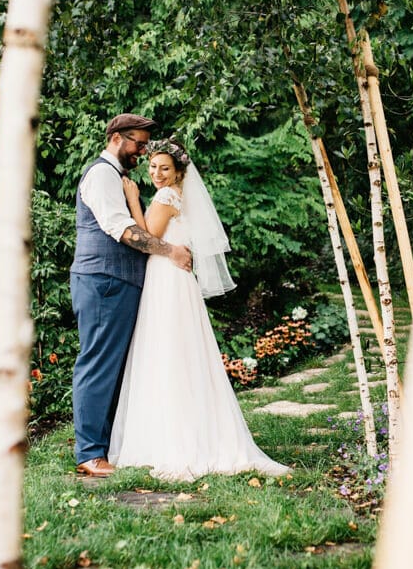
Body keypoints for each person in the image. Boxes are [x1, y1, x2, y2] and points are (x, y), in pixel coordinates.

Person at [108, 138, 289, 481]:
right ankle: (188, 431)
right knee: (181, 352)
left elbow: (147, 237)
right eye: (153, 167)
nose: (157, 174)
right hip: (176, 279)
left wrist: (132, 199)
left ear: (178, 173)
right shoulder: (181, 198)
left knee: (166, 351)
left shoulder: (165, 197)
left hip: (166, 280)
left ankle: (170, 439)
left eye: (165, 168)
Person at [70, 114, 193, 478]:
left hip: (116, 281)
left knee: (113, 367)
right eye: (138, 143)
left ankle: (102, 447)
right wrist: (170, 251)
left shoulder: (117, 177)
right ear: (118, 139)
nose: (142, 151)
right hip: (103, 280)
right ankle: (89, 453)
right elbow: (123, 231)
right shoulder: (101, 175)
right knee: (98, 363)